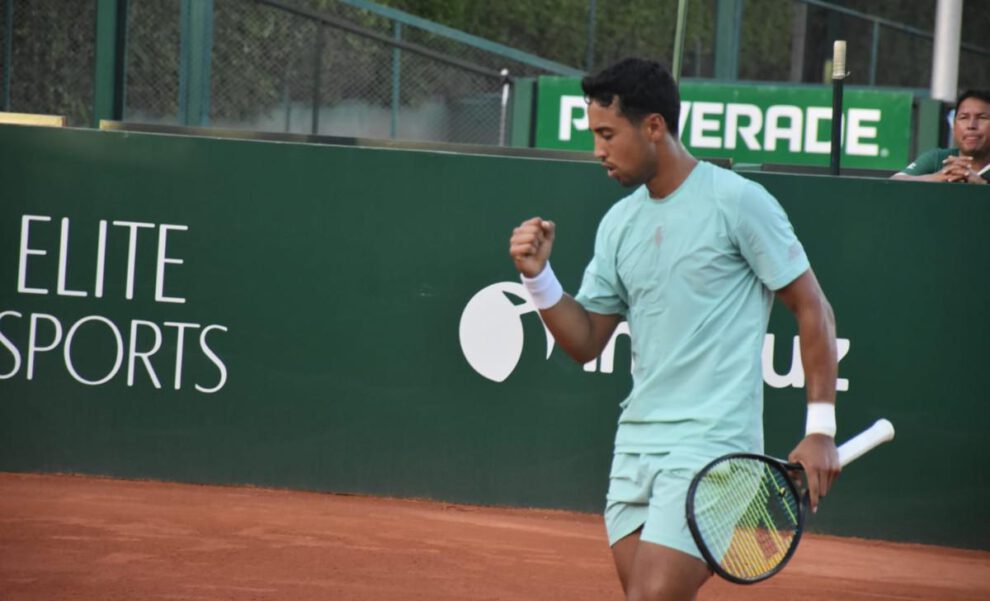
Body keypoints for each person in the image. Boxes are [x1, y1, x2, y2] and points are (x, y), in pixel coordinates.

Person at [508, 58, 840, 601]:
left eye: (607, 134)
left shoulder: (738, 201)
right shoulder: (619, 224)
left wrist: (821, 428)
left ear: (654, 126)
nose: (598, 151)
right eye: (594, 136)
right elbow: (586, 341)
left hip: (714, 447)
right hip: (636, 446)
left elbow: (813, 308)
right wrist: (538, 278)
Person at [891, 89, 990, 184]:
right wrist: (938, 177)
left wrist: (982, 184)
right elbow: (894, 182)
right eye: (963, 118)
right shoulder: (938, 159)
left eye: (982, 117)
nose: (971, 125)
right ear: (954, 126)